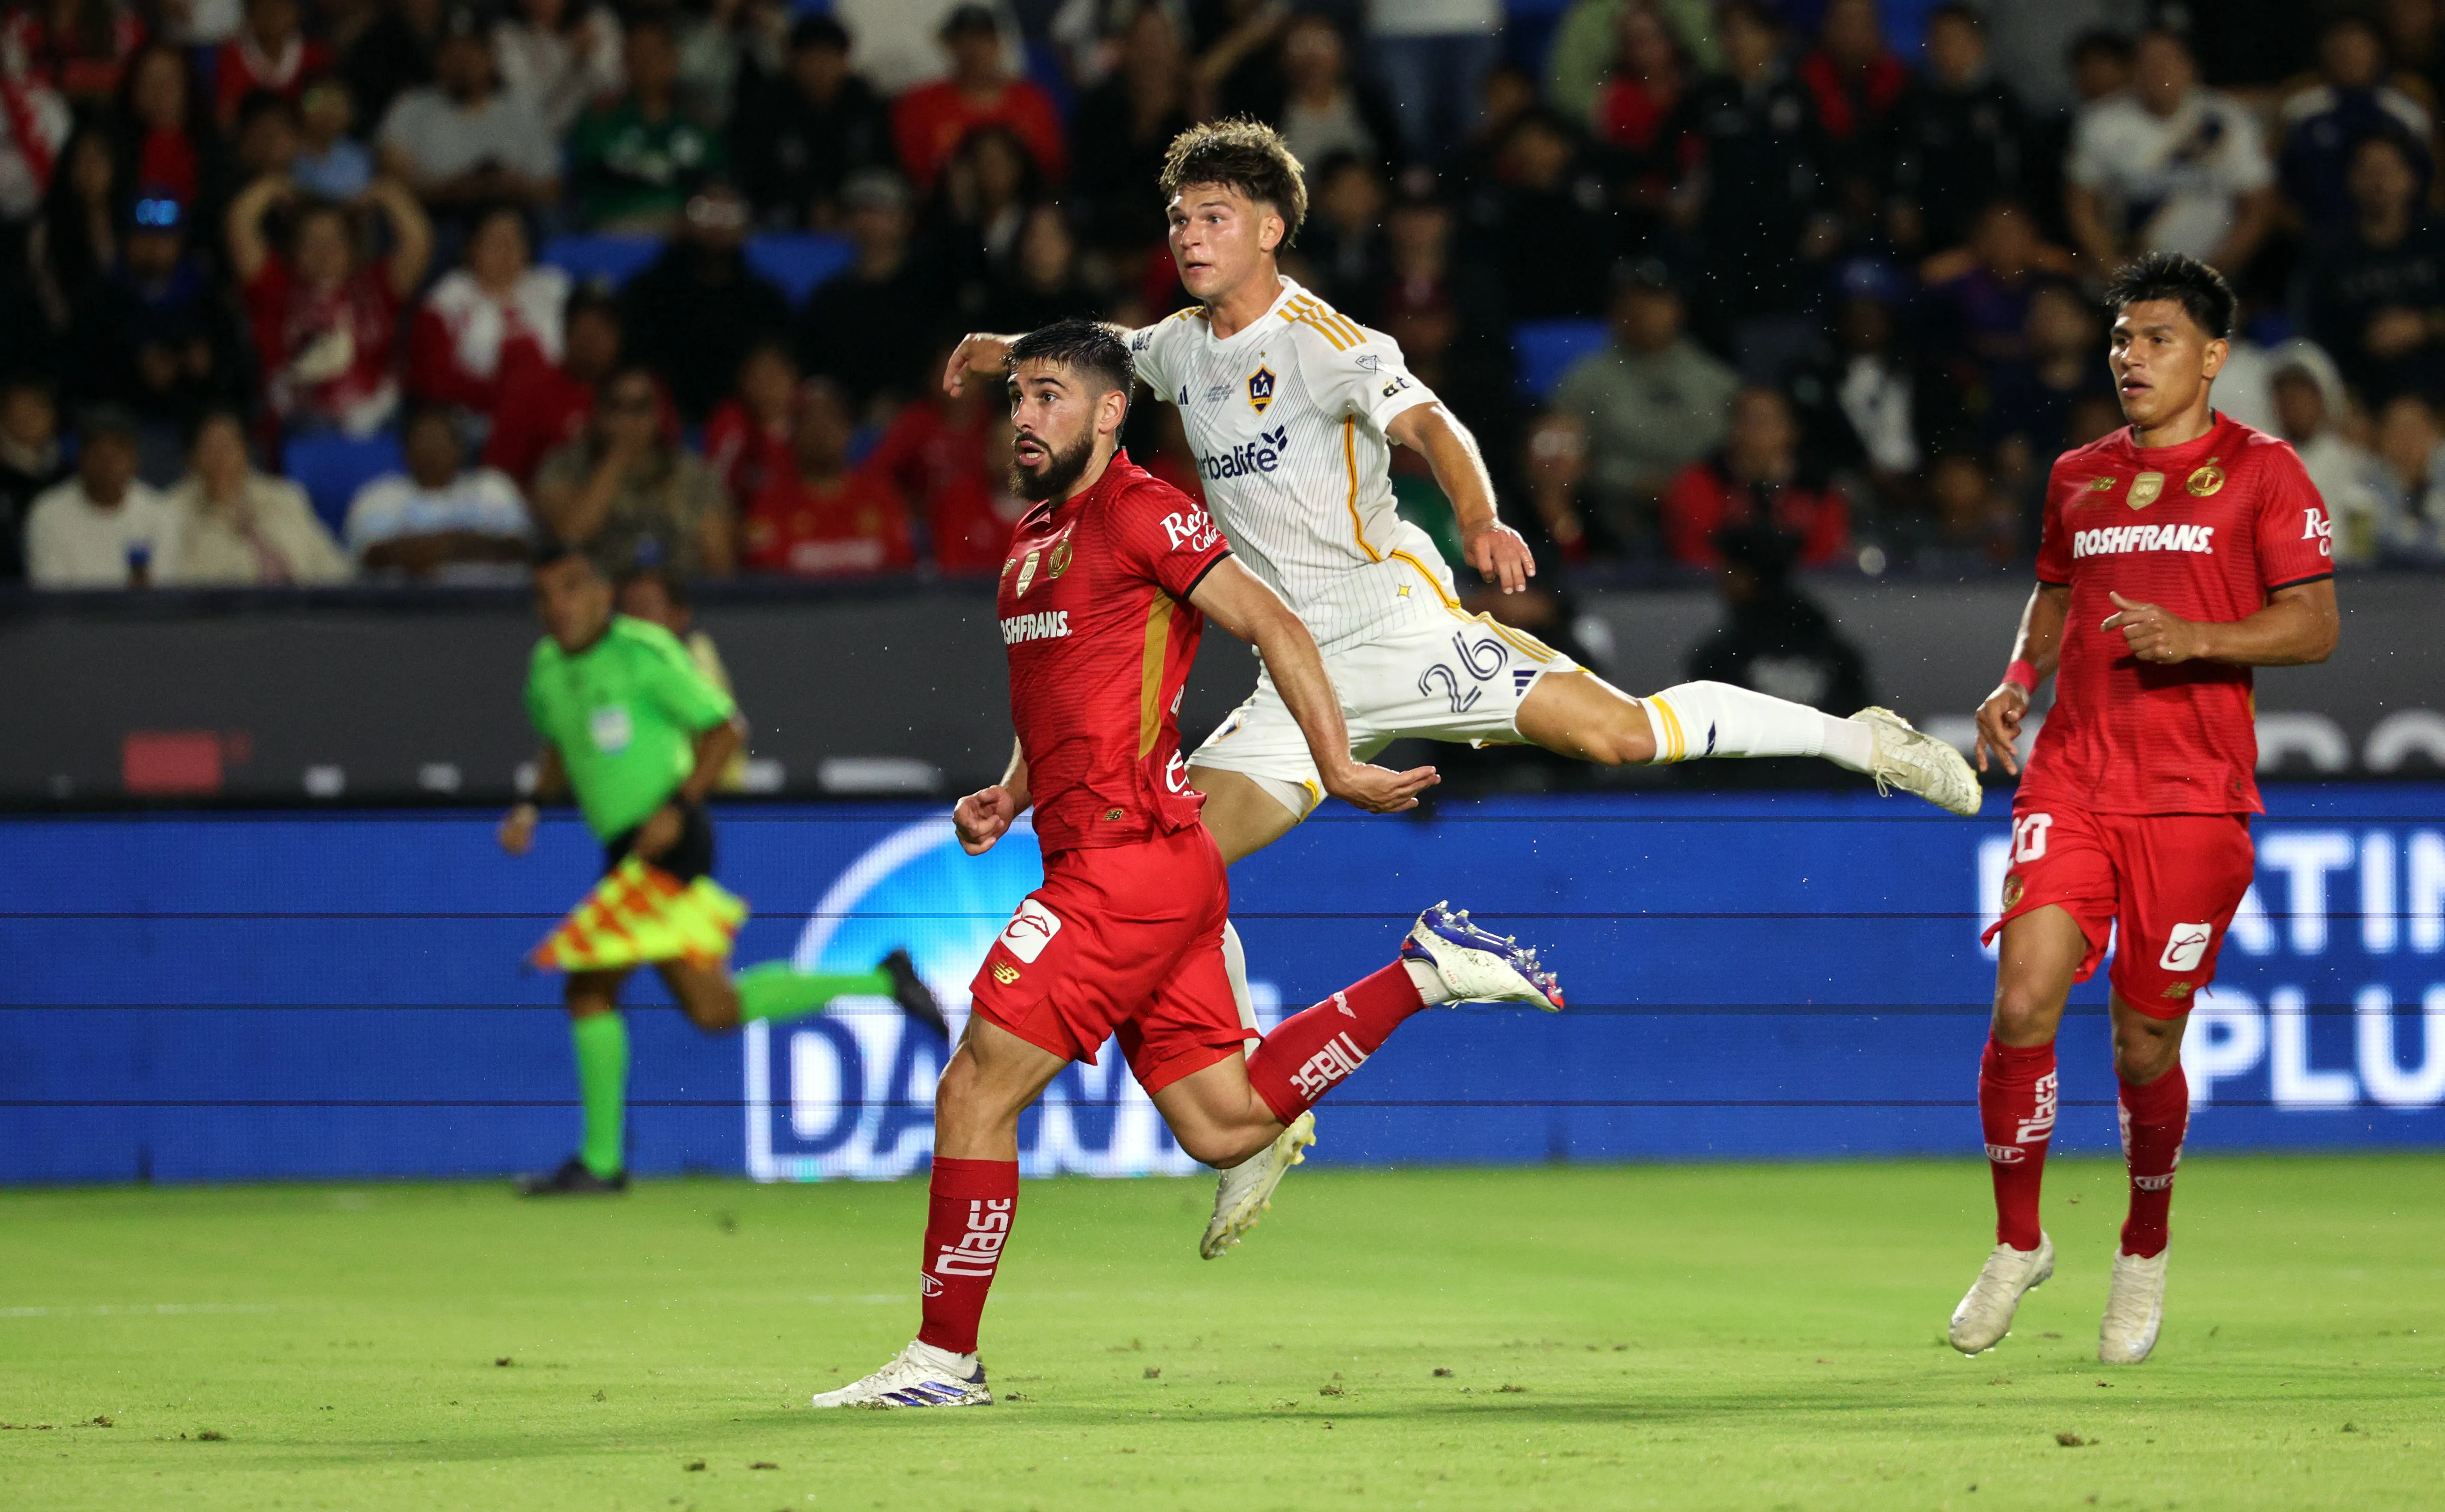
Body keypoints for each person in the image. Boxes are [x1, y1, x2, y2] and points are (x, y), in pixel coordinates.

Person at [943, 121, 1980, 1256]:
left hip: (1401, 631)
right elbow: (1082, 352)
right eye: (1179, 219)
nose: (1189, 235)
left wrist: (1481, 515)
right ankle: (1254, 1122)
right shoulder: (1174, 347)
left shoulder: (1326, 341)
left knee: (1621, 737)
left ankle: (1858, 740)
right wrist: (995, 347)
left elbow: (1432, 427)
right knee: (1179, 857)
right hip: (1297, 681)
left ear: (1270, 230)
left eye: (1214, 217)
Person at [811, 319, 1563, 1409]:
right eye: (1017, 397)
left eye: (1050, 396)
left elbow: (1273, 622)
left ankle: (940, 1361)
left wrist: (1336, 763)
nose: (1024, 416)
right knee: (1223, 1123)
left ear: (1110, 411)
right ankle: (1424, 970)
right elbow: (1070, 690)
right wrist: (1014, 789)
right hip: (1137, 865)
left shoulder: (1143, 511)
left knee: (975, 1086)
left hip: (1123, 866)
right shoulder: (1031, 540)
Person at [1957, 252, 2341, 1368]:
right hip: (2071, 776)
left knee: (2140, 1042)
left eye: (2155, 338)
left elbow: (2313, 626)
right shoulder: (2076, 474)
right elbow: (2057, 589)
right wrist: (2016, 683)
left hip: (2190, 799)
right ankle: (2017, 1240)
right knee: (2022, 993)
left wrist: (2198, 640)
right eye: (2120, 338)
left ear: (2212, 357)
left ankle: (2141, 1244)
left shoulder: (2265, 475)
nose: (2128, 356)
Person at [500, 545, 943, 1194]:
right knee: (714, 1008)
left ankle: (601, 1164)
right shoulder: (545, 670)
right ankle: (882, 981)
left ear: (600, 593)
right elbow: (560, 745)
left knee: (589, 989)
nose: (556, 607)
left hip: (671, 843)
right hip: (625, 852)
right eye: (544, 595)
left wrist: (678, 807)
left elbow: (725, 730)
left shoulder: (644, 654)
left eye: (569, 590)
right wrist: (533, 806)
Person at [1547, 258, 1739, 555]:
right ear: (1613, 312)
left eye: (1656, 302)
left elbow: (1738, 454)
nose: (1644, 312)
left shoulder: (1717, 381)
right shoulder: (1583, 383)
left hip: (1708, 509)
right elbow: (1562, 461)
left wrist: (1692, 490)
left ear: (1679, 310)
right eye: (1632, 302)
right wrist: (1629, 482)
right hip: (1615, 508)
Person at [225, 173, 433, 437]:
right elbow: (240, 225)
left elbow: (418, 243)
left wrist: (384, 193)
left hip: (373, 427)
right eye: (311, 242)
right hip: (299, 428)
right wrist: (273, 186)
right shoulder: (276, 288)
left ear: (351, 249)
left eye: (334, 241)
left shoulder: (376, 287)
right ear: (294, 251)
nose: (324, 252)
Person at [2064, 29, 2275, 277]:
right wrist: (2113, 270)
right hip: (2131, 275)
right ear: (2132, 70)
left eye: (2168, 61)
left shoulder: (2227, 118)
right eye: (2147, 62)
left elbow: (2258, 204)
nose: (2157, 71)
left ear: (2191, 67)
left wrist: (2213, 274)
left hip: (2216, 274)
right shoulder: (2101, 121)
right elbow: (2081, 206)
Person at [530, 365, 732, 577]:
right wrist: (616, 461)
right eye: (616, 408)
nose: (628, 421)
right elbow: (570, 537)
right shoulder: (565, 466)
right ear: (597, 413)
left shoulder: (692, 473)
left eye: (640, 408)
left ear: (657, 415)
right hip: (599, 602)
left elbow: (721, 564)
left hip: (674, 599)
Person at [617, 185, 791, 424]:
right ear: (683, 219)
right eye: (705, 211)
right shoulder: (645, 295)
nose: (718, 224)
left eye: (730, 213)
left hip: (746, 428)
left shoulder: (767, 301)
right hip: (659, 425)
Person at [375, 7, 560, 216]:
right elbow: (392, 184)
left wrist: (514, 187)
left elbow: (552, 188)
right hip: (440, 221)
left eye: (472, 50)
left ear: (491, 57)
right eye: (452, 50)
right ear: (437, 58)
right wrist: (450, 191)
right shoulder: (411, 107)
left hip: (515, 218)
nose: (463, 61)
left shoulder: (521, 108)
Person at [1659, 386, 1852, 568]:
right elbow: (1695, 556)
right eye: (1746, 421)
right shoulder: (1697, 484)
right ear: (1732, 430)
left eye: (1766, 421)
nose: (1755, 431)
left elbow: (1824, 560)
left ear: (1791, 431)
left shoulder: (1819, 490)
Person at [406, 203, 566, 421]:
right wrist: (507, 398)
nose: (508, 250)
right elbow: (434, 378)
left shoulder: (554, 288)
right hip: (475, 416)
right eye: (496, 242)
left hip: (553, 408)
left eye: (515, 239)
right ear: (471, 248)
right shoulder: (447, 299)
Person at [568, 13, 725, 232]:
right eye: (638, 54)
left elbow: (717, 187)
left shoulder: (699, 126)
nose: (648, 63)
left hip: (687, 235)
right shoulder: (599, 121)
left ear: (673, 58)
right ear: (625, 61)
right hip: (616, 231)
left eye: (656, 53)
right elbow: (589, 185)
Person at [159, 408, 351, 584]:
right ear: (193, 459)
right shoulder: (175, 510)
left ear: (245, 452)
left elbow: (331, 564)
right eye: (211, 448)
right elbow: (186, 583)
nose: (221, 458)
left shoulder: (285, 497)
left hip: (300, 612)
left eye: (228, 446)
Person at [741, 377, 911, 575]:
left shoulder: (879, 496)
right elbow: (762, 559)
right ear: (794, 434)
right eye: (810, 422)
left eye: (831, 419)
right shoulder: (771, 502)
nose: (821, 431)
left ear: (848, 430)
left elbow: (901, 554)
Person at [734, 13, 889, 229]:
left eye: (829, 57)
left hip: (854, 214)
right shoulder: (767, 105)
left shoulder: (865, 105)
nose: (820, 67)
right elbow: (754, 171)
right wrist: (808, 203)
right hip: (780, 214)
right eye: (811, 57)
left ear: (845, 60)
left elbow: (880, 166)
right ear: (791, 59)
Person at [344, 403, 533, 579]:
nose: (431, 450)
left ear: (460, 448)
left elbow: (517, 550)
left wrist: (446, 546)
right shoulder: (378, 496)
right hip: (400, 608)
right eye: (423, 440)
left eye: (440, 440)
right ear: (406, 450)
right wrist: (466, 546)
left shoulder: (493, 488)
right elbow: (371, 557)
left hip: (490, 606)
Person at [889, 4, 1063, 193]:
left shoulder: (1031, 100)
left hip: (1023, 207)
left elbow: (1052, 167)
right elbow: (914, 174)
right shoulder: (920, 103)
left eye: (983, 40)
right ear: (950, 47)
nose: (974, 50)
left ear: (998, 45)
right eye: (964, 41)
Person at [483, 283, 623, 488]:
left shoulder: (636, 395)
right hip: (538, 509)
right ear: (567, 330)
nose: (595, 337)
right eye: (588, 325)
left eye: (606, 328)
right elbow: (499, 476)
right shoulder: (530, 389)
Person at [24, 404, 177, 587]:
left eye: (118, 452)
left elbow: (165, 597)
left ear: (135, 459)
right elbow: (51, 598)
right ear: (81, 457)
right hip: (69, 615)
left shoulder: (160, 513)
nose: (108, 463)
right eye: (98, 452)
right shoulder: (48, 513)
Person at [0, 378, 70, 581]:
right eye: (19, 411)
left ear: (52, 416)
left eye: (36, 409)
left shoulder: (69, 473)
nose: (28, 418)